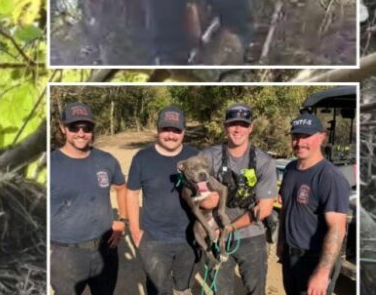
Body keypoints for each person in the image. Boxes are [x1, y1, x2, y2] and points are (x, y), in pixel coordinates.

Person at [50, 102, 128, 295]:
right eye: (74, 127)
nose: (81, 133)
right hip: (65, 253)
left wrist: (122, 219)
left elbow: (121, 187)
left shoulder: (106, 160)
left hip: (105, 249)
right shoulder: (50, 165)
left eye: (87, 128)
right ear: (63, 128)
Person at [201, 104, 277, 295]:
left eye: (243, 124)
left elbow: (265, 210)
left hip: (252, 237)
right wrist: (207, 198)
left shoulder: (264, 161)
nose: (237, 129)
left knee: (255, 290)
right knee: (220, 291)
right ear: (225, 127)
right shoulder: (209, 156)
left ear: (251, 128)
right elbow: (194, 187)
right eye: (233, 124)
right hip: (215, 238)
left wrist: (228, 228)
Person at [126, 106, 198, 295]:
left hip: (190, 238)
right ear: (157, 129)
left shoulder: (195, 156)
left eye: (176, 130)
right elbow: (131, 193)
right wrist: (135, 231)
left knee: (184, 289)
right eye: (166, 129)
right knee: (159, 290)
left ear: (184, 131)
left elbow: (209, 192)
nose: (171, 135)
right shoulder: (142, 158)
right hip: (154, 239)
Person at [278, 113, 349, 295]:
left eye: (306, 136)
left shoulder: (330, 177)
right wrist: (281, 242)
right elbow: (286, 209)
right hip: (290, 257)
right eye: (295, 137)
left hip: (314, 261)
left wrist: (322, 272)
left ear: (321, 137)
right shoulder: (290, 169)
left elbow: (337, 229)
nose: (300, 143)